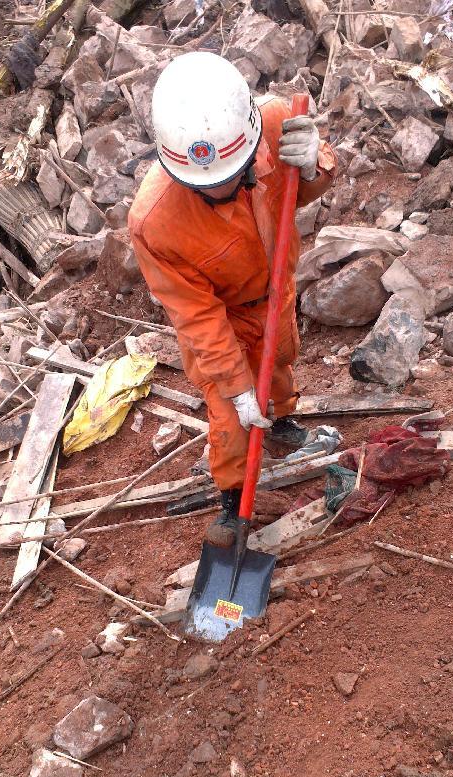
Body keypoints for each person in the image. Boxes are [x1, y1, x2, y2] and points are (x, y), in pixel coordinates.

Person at [129, 52, 336, 547]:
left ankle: (281, 421)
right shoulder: (154, 223)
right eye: (207, 186)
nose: (221, 188)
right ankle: (232, 499)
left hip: (274, 291)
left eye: (231, 175)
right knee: (229, 412)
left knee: (282, 359)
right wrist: (238, 386)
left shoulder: (274, 125)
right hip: (222, 317)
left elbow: (299, 192)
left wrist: (315, 166)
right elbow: (197, 318)